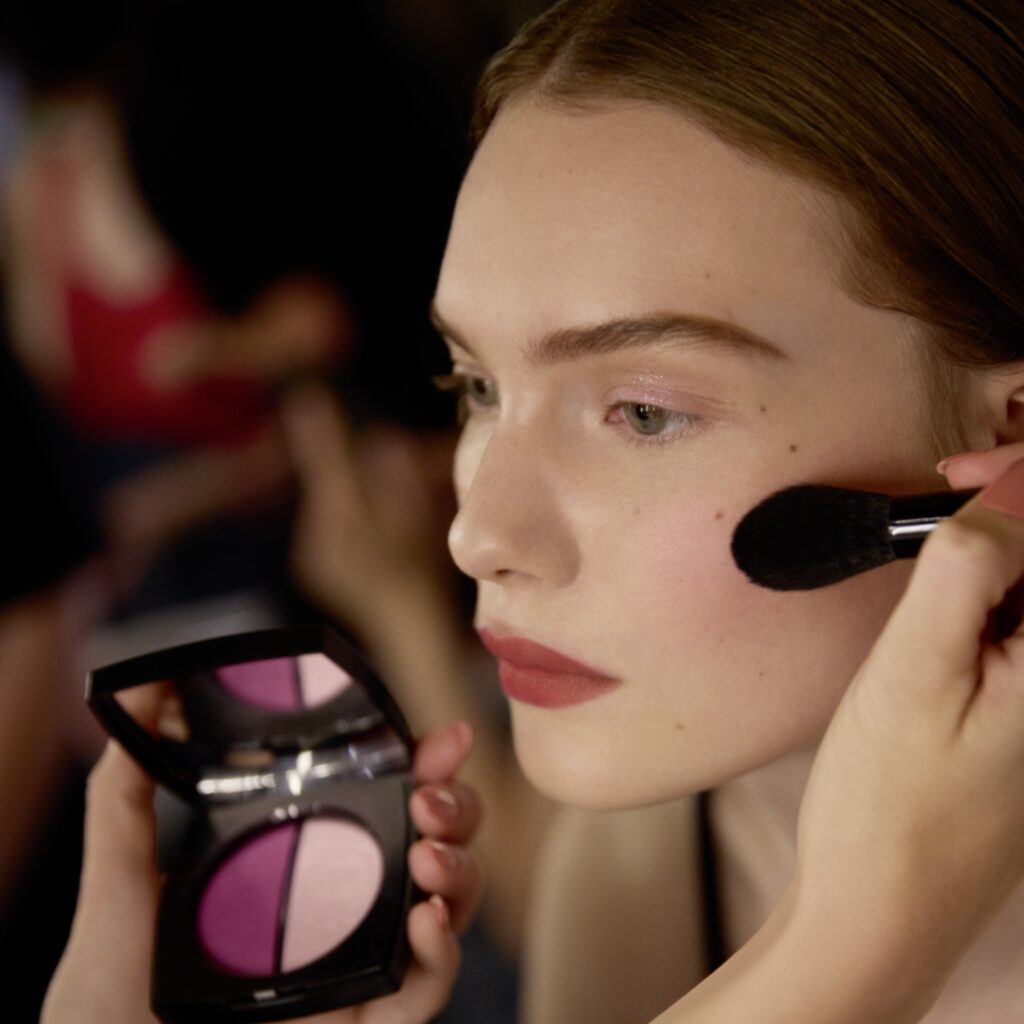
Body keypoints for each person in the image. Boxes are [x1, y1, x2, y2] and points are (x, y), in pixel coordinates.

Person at [43, 1, 1024, 1022]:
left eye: (644, 412)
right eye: (474, 386)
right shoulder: (639, 854)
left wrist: (856, 938)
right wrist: (850, 940)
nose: (477, 535)